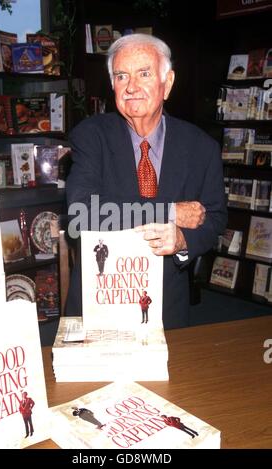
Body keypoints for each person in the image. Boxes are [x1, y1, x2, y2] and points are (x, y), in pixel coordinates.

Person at [65, 33, 227, 329]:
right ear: (112, 84)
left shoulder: (202, 147)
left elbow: (214, 218)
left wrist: (182, 240)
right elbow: (81, 214)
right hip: (99, 300)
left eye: (144, 74)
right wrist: (169, 213)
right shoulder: (91, 136)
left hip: (166, 304)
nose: (131, 87)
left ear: (169, 83)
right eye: (121, 76)